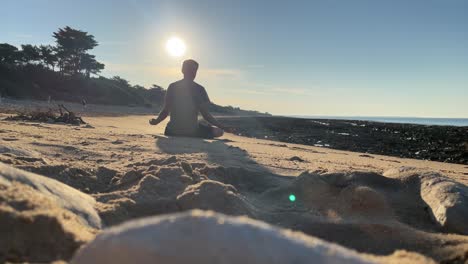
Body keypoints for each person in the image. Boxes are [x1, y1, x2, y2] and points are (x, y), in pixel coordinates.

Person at [149, 59, 225, 139]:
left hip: (172, 131)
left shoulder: (172, 86)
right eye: (192, 70)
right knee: (219, 131)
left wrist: (156, 121)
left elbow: (166, 110)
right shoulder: (199, 89)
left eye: (194, 70)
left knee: (201, 123)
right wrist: (223, 126)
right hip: (192, 132)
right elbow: (206, 115)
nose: (193, 73)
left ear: (182, 70)